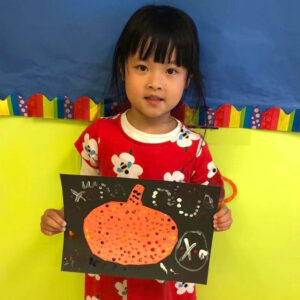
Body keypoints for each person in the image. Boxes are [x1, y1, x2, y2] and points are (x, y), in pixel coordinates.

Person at [40, 4, 232, 300]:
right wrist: (59, 217)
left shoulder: (193, 146)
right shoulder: (99, 135)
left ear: (187, 79)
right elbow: (86, 201)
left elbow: (209, 204)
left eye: (170, 70)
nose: (155, 82)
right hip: (108, 276)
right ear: (123, 69)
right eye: (142, 67)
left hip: (167, 286)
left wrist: (220, 216)